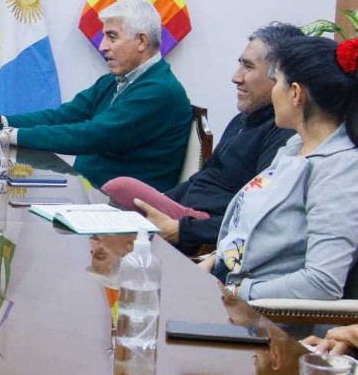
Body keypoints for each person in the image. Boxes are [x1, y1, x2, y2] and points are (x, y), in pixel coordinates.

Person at [102, 23, 301, 254]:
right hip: (184, 214)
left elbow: (256, 218)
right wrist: (163, 199)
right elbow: (203, 177)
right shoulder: (242, 120)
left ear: (280, 77)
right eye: (239, 64)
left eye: (248, 67)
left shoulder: (285, 134)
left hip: (200, 230)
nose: (236, 77)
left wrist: (182, 229)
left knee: (120, 188)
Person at [0, 0, 192, 190]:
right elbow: (63, 116)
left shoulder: (159, 91)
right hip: (91, 192)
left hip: (126, 212)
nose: (103, 46)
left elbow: (90, 136)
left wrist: (2, 134)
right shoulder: (117, 80)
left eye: (112, 36)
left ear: (141, 41)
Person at [200, 35, 358, 301]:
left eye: (277, 82)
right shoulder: (295, 146)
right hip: (231, 292)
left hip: (267, 317)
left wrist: (234, 292)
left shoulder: (339, 170)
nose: (273, 92)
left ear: (295, 93)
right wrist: (214, 261)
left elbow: (322, 283)